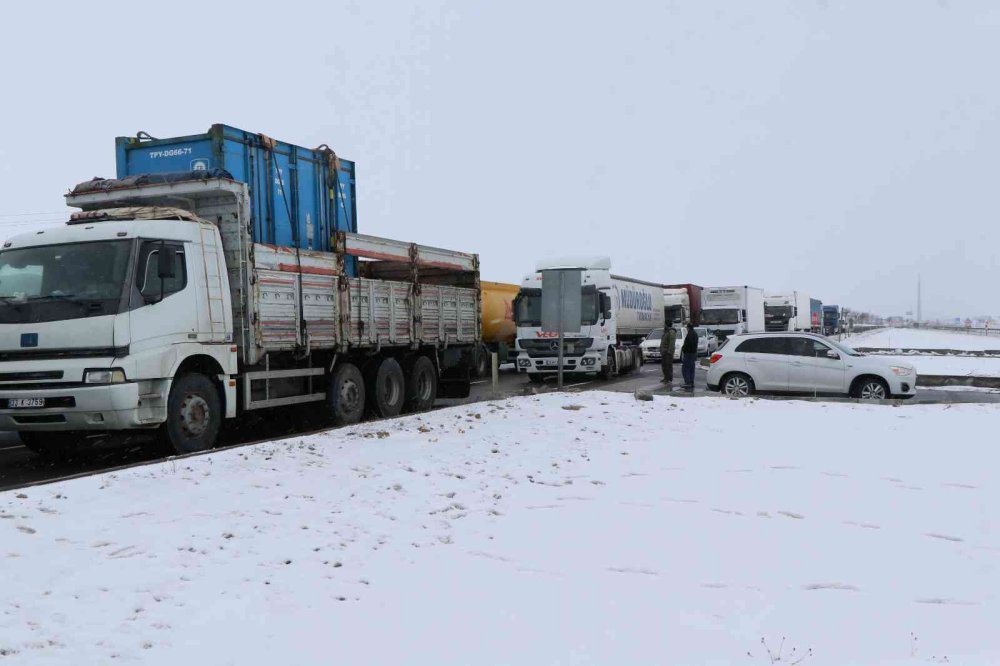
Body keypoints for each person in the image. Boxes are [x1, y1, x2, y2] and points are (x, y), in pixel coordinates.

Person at [680, 322, 698, 390]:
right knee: (691, 369)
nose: (686, 329)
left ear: (688, 327)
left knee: (685, 368)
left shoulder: (690, 334)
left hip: (689, 353)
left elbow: (688, 344)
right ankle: (691, 382)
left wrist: (683, 349)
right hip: (693, 353)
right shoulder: (694, 333)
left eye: (687, 327)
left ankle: (688, 382)